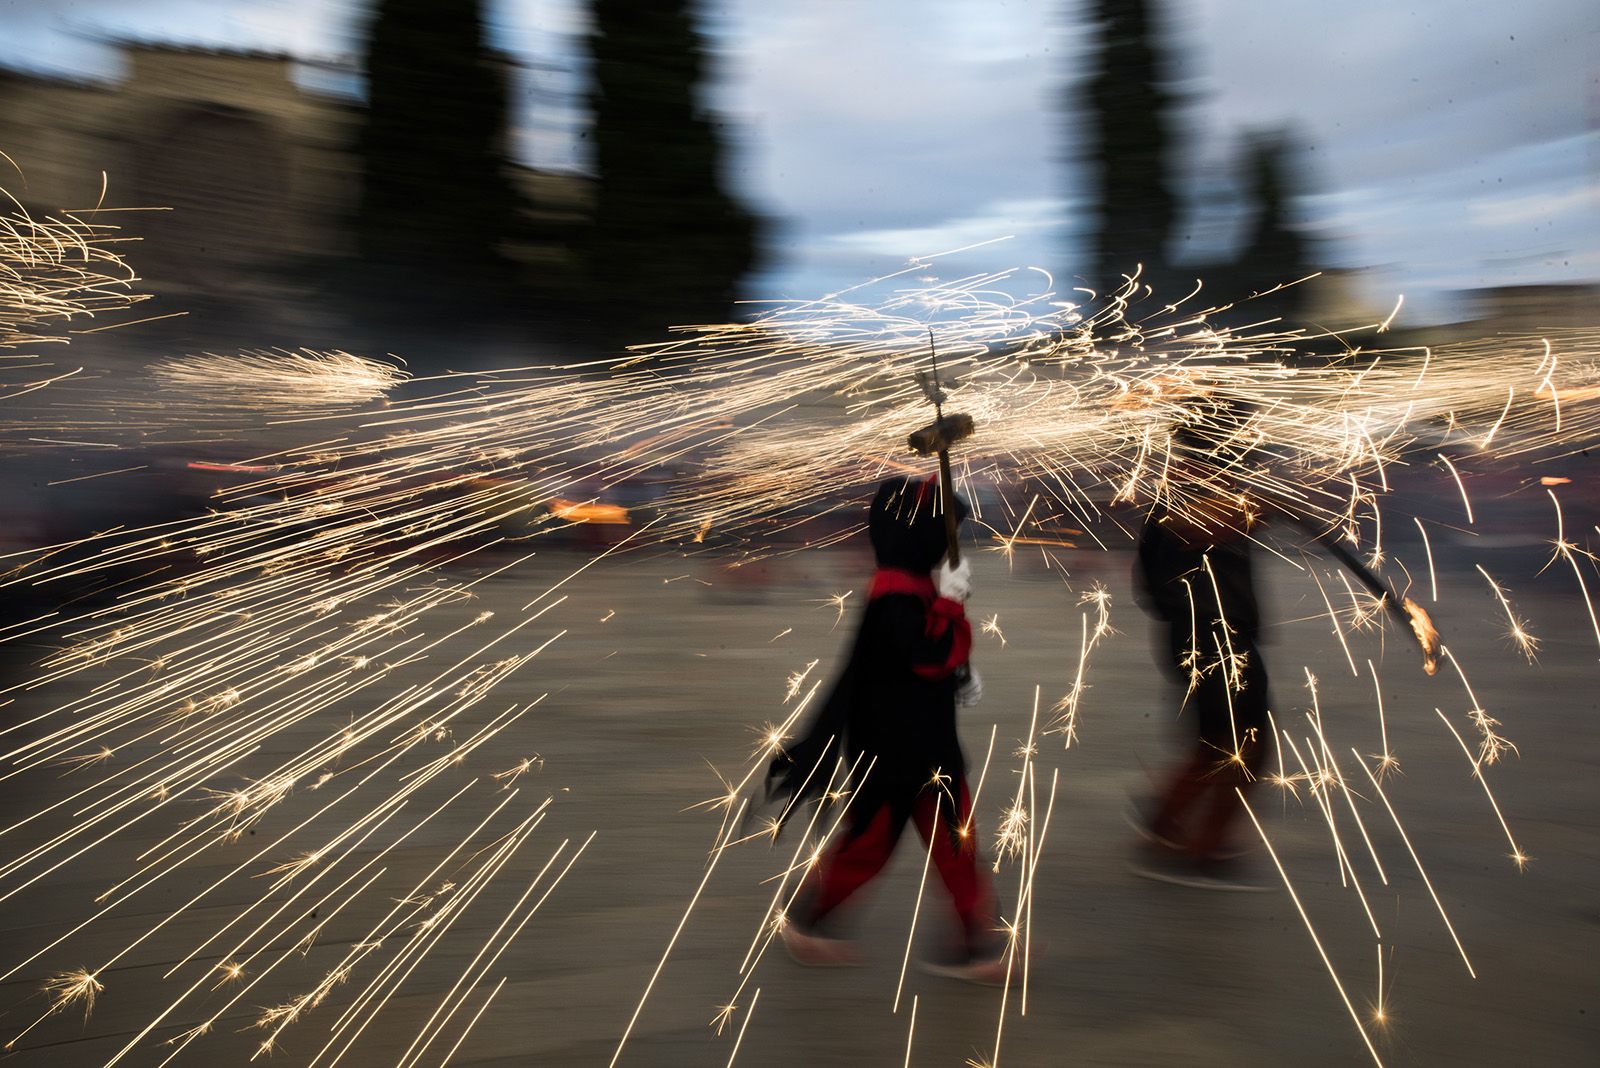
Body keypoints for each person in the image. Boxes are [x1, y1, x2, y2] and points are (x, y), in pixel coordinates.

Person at [763, 475, 1005, 981]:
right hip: (894, 750)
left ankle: (977, 944)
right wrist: (952, 605)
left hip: (925, 742)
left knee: (956, 843)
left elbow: (923, 659)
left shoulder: (909, 587)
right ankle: (805, 918)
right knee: (869, 846)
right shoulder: (895, 595)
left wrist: (958, 675)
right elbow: (923, 653)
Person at [1129, 407, 1276, 891]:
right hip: (1209, 637)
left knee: (1221, 742)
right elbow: (1206, 528)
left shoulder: (1210, 486)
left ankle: (1167, 824)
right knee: (1242, 745)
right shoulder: (1191, 492)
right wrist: (1259, 506)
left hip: (1216, 635)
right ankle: (1200, 846)